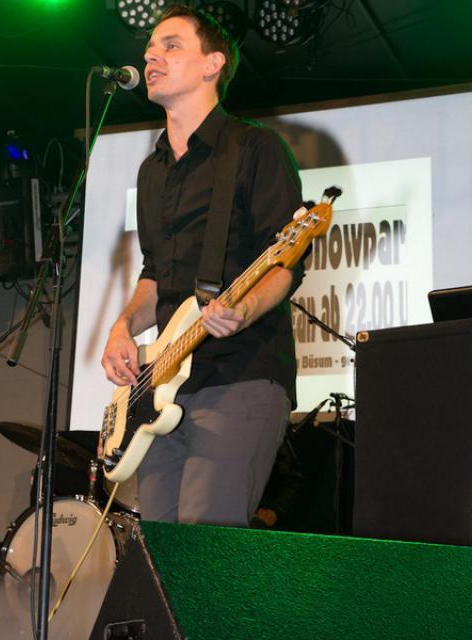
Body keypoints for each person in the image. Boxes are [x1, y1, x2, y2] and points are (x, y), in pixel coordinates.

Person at [100, 4, 306, 527]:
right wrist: (123, 327)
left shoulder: (255, 148)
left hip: (241, 373)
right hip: (163, 387)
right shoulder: (152, 172)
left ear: (213, 64)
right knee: (163, 554)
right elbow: (154, 272)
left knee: (206, 542)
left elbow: (286, 261)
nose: (152, 57)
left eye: (171, 46)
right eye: (150, 48)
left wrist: (244, 310)